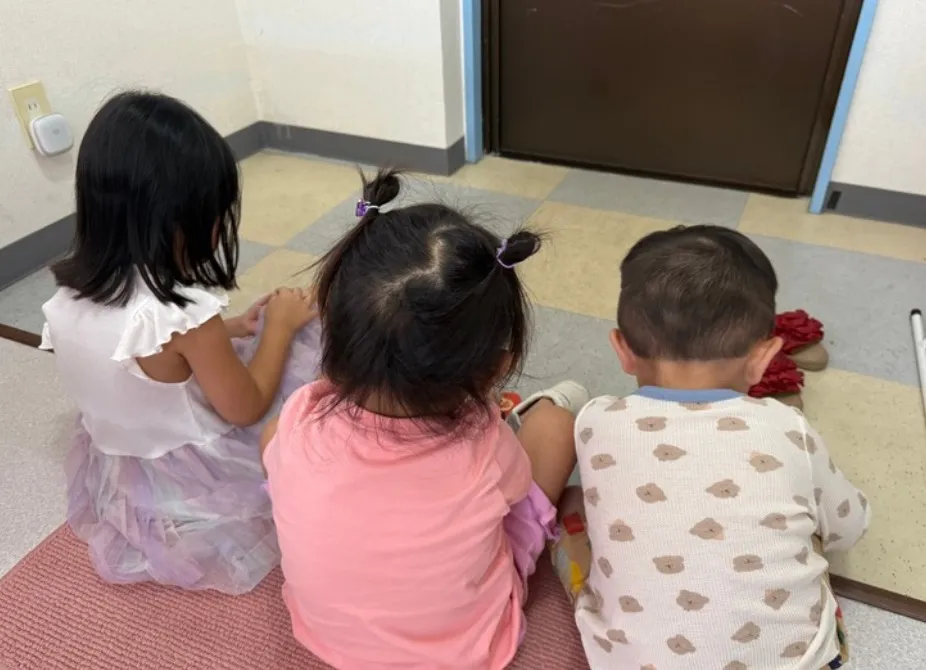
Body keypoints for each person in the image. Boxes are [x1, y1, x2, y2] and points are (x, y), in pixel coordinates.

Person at [260, 168, 589, 670]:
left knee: (274, 439)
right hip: (467, 650)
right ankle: (531, 410)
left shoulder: (301, 415)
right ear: (494, 370)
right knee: (557, 426)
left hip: (326, 636)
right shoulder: (485, 446)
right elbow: (512, 498)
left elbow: (275, 448)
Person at [40, 91, 321, 595]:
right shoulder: (182, 314)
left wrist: (230, 328)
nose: (217, 228)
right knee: (311, 359)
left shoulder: (66, 295)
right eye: (211, 216)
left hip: (123, 464)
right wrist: (279, 326)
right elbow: (246, 407)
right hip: (198, 478)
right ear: (171, 220)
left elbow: (143, 356)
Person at [570, 225, 868, 669]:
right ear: (764, 358)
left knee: (572, 512)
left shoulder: (594, 420)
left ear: (623, 350)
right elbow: (849, 526)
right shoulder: (788, 426)